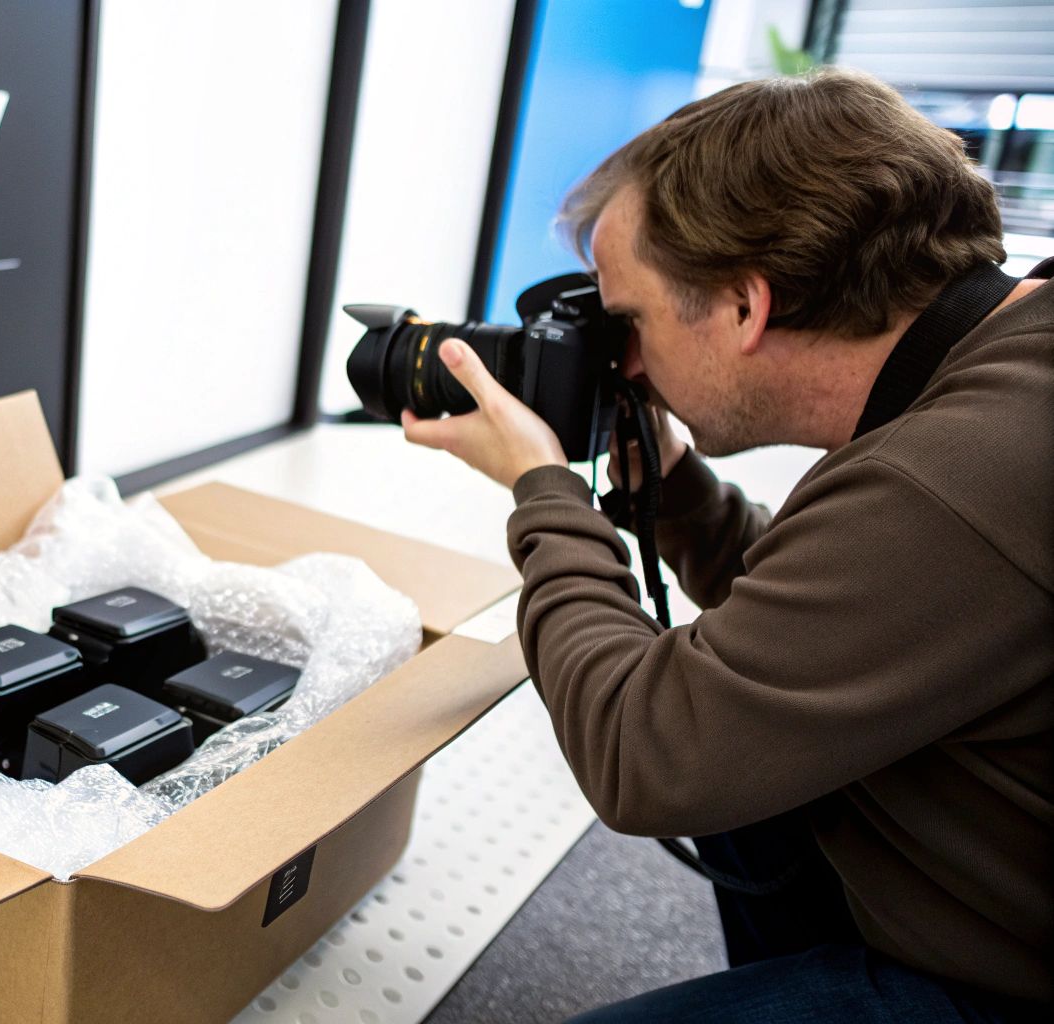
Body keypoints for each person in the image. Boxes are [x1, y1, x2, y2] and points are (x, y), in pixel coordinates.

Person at [400, 67, 1051, 1021]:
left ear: (746, 307)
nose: (623, 364)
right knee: (747, 759)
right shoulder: (1001, 361)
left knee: (708, 750)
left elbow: (643, 749)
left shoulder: (948, 477)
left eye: (630, 321)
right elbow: (821, 626)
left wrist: (542, 491)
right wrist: (674, 493)